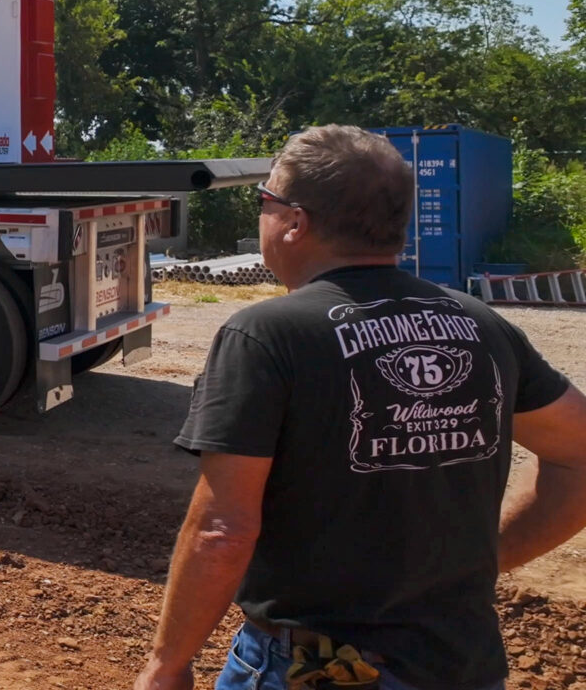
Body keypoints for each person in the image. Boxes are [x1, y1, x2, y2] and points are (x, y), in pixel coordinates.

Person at [135, 125, 586, 690]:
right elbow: (581, 455)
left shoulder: (267, 335)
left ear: (295, 222)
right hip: (461, 662)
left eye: (264, 202)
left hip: (318, 669)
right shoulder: (481, 325)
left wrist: (167, 665)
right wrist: (481, 563)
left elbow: (222, 530)